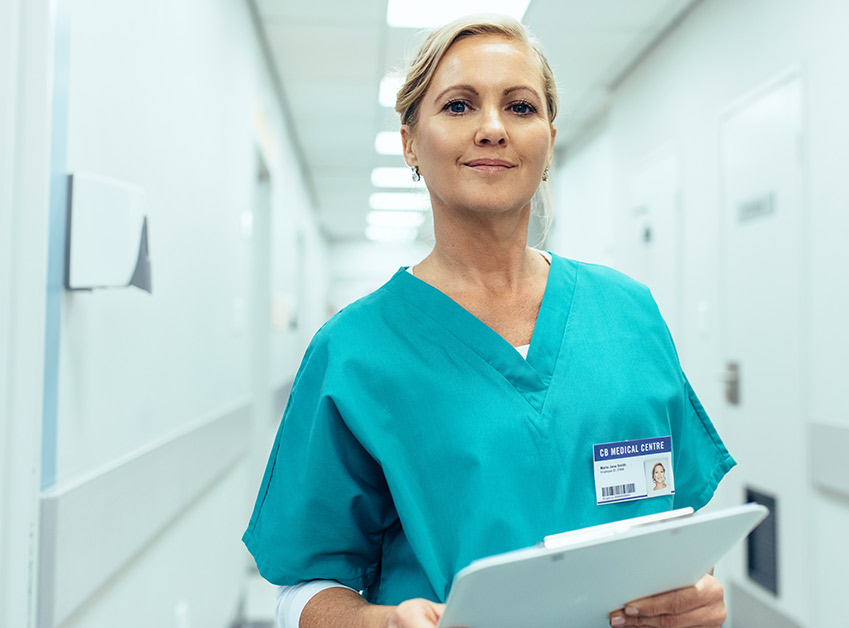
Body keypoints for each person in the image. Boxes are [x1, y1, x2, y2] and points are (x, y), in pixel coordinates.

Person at [242, 14, 735, 628]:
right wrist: (376, 623)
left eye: (521, 107)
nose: (493, 128)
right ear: (410, 142)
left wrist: (699, 597)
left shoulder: (627, 313)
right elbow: (302, 586)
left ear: (550, 139)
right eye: (458, 105)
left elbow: (672, 535)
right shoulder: (354, 352)